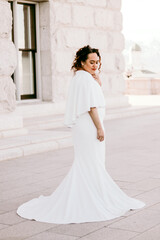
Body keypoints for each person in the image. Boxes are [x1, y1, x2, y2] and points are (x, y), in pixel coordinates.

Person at [17, 45, 145, 224]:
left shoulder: (82, 77)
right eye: (91, 62)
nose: (95, 65)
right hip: (90, 125)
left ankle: (92, 194)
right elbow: (92, 106)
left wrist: (97, 80)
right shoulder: (84, 79)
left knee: (90, 162)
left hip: (86, 126)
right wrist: (100, 128)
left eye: (97, 62)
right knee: (91, 162)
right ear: (82, 61)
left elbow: (94, 96)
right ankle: (90, 198)